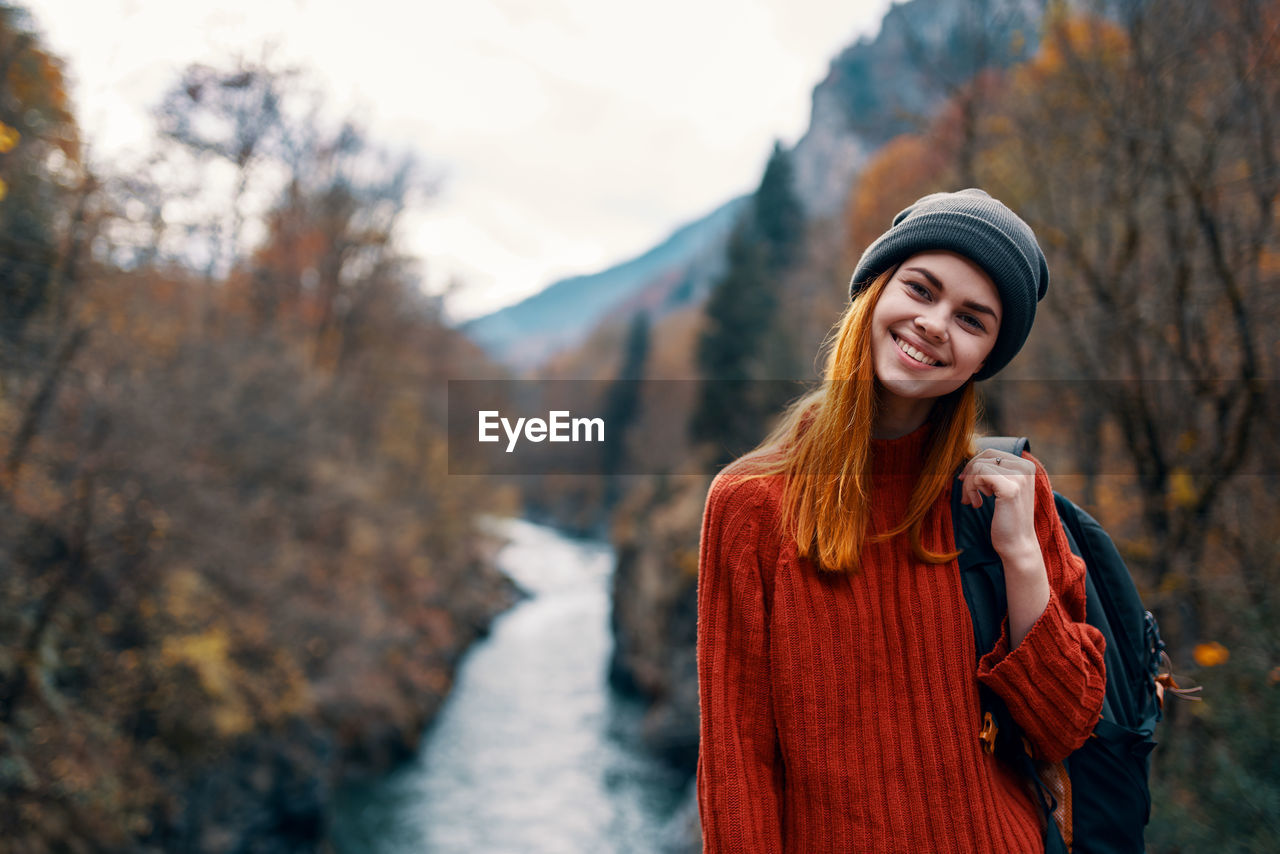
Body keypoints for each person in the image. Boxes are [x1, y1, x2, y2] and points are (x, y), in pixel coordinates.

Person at [695, 189, 1107, 853]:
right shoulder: (751, 503)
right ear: (876, 292)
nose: (936, 323)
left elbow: (1064, 729)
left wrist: (1023, 557)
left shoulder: (1008, 496)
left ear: (986, 357)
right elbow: (738, 760)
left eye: (973, 320)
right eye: (921, 289)